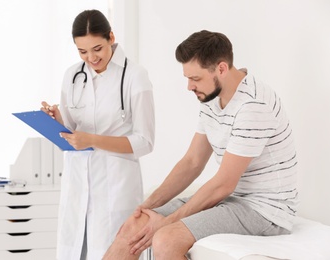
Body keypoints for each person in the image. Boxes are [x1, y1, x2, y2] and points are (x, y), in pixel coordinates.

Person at [103, 30, 298, 260]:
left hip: (266, 211)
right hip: (233, 200)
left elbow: (223, 184)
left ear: (221, 69)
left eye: (195, 79)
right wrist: (146, 207)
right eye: (187, 78)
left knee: (166, 239)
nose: (189, 87)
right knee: (134, 226)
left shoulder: (253, 106)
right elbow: (192, 162)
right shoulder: (212, 96)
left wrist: (166, 223)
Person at [41, 9, 155, 260]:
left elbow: (145, 142)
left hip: (115, 188)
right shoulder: (72, 75)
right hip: (77, 183)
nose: (91, 57)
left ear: (111, 37)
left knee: (108, 252)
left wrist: (91, 140)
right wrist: (57, 119)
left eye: (97, 49)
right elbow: (72, 129)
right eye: (82, 51)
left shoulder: (135, 76)